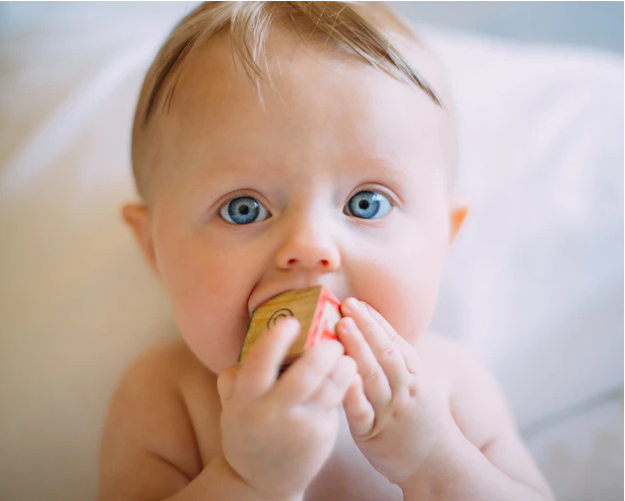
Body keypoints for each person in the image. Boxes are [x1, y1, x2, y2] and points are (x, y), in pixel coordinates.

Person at [97, 2, 554, 500]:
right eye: (244, 208)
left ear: (445, 238)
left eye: (367, 202)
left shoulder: (449, 386)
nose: (311, 247)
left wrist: (435, 461)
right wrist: (248, 480)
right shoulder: (166, 396)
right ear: (154, 248)